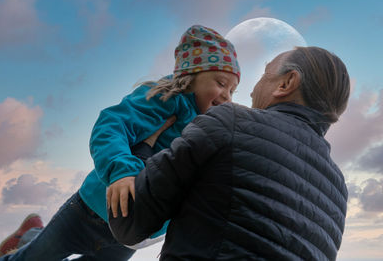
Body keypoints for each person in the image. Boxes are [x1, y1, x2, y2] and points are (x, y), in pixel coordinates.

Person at [0, 24, 240, 261]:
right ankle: (30, 240)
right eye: (220, 83)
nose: (226, 97)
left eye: (232, 91)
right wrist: (121, 172)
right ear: (190, 76)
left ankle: (31, 236)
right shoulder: (166, 100)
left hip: (132, 234)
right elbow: (112, 125)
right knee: (36, 257)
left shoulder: (208, 132)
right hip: (91, 211)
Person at [109, 46, 350, 261]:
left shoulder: (233, 120)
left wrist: (144, 147)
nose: (253, 92)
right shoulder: (338, 191)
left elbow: (129, 222)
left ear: (286, 84)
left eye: (264, 75)